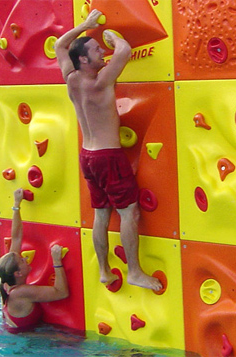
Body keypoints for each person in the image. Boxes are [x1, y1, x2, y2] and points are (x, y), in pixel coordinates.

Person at [54, 9, 162, 291]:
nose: (102, 52)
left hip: (88, 157)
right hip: (108, 157)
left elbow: (59, 46)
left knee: (102, 214)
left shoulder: (71, 79)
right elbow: (124, 50)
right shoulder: (101, 82)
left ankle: (104, 270)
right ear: (83, 60)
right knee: (129, 212)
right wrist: (112, 37)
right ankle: (134, 271)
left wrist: (86, 26)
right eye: (95, 50)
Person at [0, 188, 69, 330]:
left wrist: (17, 204)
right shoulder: (20, 292)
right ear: (18, 273)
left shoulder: (8, 279)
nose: (24, 258)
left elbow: (16, 237)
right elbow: (61, 293)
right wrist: (57, 262)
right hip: (25, 339)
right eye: (22, 260)